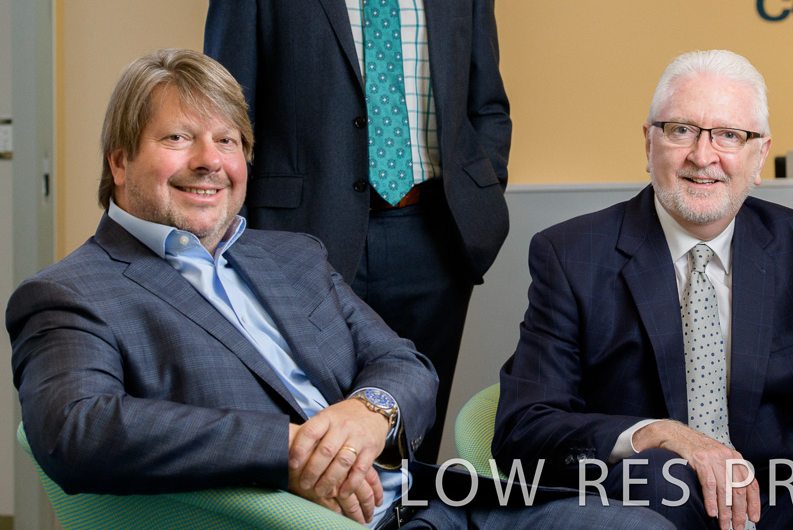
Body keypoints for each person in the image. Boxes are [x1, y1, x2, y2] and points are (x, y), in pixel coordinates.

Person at [7, 49, 670, 530]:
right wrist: (291, 448)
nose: (210, 160)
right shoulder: (71, 293)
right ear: (120, 160)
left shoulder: (292, 256)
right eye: (178, 138)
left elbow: (406, 364)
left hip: (430, 503)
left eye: (228, 140)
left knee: (637, 524)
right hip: (309, 521)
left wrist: (370, 411)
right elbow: (75, 429)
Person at [493, 50, 793, 530]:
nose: (703, 157)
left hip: (777, 497)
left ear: (760, 155)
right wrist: (657, 434)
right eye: (681, 130)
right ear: (649, 143)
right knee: (658, 474)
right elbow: (525, 426)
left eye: (729, 135)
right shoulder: (572, 254)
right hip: (653, 497)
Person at [204, 0, 511, 462]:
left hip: (434, 237)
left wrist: (482, 190)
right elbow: (222, 118)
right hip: (301, 242)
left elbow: (486, 101)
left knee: (414, 439)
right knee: (319, 444)